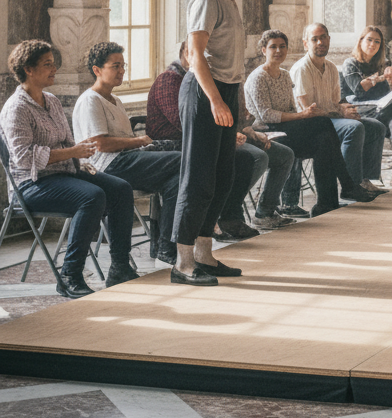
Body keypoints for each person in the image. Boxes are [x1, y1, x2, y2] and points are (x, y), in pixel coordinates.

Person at [0, 40, 136, 296]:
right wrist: (72, 153)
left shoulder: (50, 100)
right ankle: (70, 276)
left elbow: (67, 140)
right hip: (31, 184)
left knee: (120, 188)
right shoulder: (15, 108)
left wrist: (80, 160)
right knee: (91, 197)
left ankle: (119, 267)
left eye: (53, 64)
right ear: (28, 69)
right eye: (47, 64)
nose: (54, 69)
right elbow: (23, 158)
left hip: (63, 173)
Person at [146, 42, 296, 239]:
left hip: (214, 137)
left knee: (281, 153)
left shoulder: (215, 79)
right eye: (206, 56)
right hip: (180, 144)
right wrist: (228, 134)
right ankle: (226, 215)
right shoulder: (171, 79)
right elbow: (183, 122)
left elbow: (231, 116)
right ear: (187, 53)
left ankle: (248, 212)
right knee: (254, 158)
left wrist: (246, 130)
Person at [171, 0, 252, 286]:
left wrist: (231, 97)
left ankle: (204, 254)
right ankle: (183, 262)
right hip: (205, 92)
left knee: (222, 177)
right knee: (199, 177)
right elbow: (196, 56)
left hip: (226, 90)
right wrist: (216, 100)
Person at [71, 41, 182, 265]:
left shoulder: (116, 100)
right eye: (115, 66)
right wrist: (139, 141)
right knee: (183, 160)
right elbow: (100, 144)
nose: (122, 71)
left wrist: (141, 145)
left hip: (126, 159)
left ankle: (165, 247)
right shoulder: (90, 100)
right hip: (107, 166)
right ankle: (179, 240)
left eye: (124, 65)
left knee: (177, 181)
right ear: (97, 70)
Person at [245, 29, 359, 215]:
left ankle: (326, 203)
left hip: (285, 127)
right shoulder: (258, 77)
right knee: (322, 123)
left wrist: (302, 115)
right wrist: (302, 116)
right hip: (265, 131)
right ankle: (347, 184)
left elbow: (290, 107)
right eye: (273, 47)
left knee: (324, 141)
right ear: (263, 50)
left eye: (282, 46)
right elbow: (266, 115)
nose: (278, 50)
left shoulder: (284, 75)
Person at [291, 23, 387, 201]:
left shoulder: (332, 68)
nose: (320, 42)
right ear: (306, 44)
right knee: (353, 128)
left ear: (329, 39)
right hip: (312, 123)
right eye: (314, 39)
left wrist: (349, 110)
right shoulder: (302, 69)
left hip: (332, 117)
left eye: (323, 37)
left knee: (376, 127)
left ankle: (367, 180)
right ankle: (351, 185)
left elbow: (336, 102)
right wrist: (341, 112)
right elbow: (308, 110)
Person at [341, 26, 392, 188]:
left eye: (377, 41)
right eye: (369, 39)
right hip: (359, 110)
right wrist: (380, 77)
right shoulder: (351, 64)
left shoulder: (383, 63)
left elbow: (387, 93)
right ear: (361, 41)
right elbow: (358, 89)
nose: (373, 44)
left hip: (383, 109)